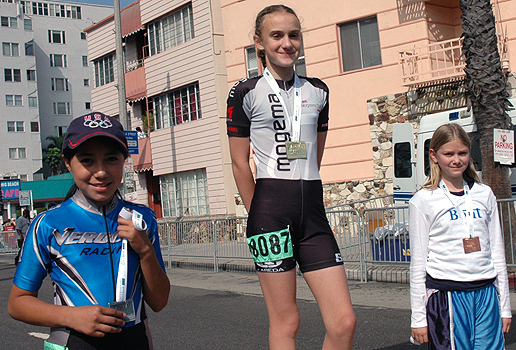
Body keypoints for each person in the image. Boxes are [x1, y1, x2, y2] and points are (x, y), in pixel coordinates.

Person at [226, 5, 356, 349]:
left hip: (313, 213)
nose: (287, 43)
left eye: (294, 35)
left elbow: (314, 156)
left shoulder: (319, 91)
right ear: (259, 42)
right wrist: (258, 216)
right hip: (269, 212)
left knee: (343, 322)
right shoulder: (245, 91)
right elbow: (240, 164)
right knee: (288, 321)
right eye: (277, 35)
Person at [8, 112, 170, 350]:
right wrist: (72, 317)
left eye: (111, 159)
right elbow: (17, 303)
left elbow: (159, 302)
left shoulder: (142, 219)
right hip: (72, 341)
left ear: (124, 160)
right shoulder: (48, 223)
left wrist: (145, 251)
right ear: (67, 163)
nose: (101, 171)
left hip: (135, 341)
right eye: (87, 160)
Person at [409, 123, 511, 349]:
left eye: (462, 153)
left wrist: (504, 307)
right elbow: (418, 264)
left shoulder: (484, 194)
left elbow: (497, 252)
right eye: (449, 154)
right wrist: (418, 318)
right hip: (448, 296)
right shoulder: (423, 201)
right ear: (434, 155)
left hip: (486, 293)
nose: (456, 160)